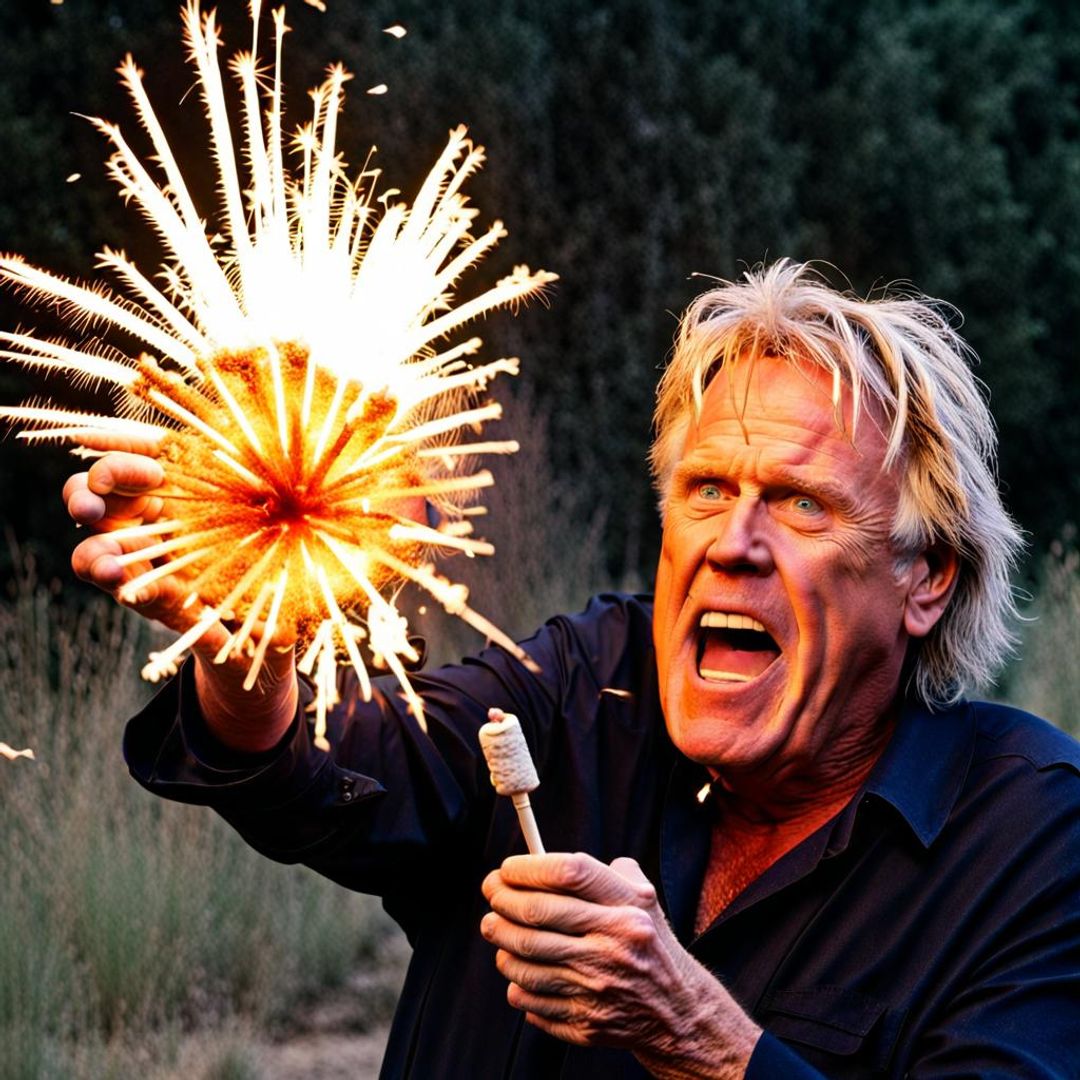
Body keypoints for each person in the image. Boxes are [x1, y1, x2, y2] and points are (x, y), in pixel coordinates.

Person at [65, 260, 1080, 1078]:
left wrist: (700, 1040)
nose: (735, 542)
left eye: (801, 502)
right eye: (706, 488)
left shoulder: (1032, 841)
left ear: (927, 580)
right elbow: (322, 778)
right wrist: (255, 650)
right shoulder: (590, 689)